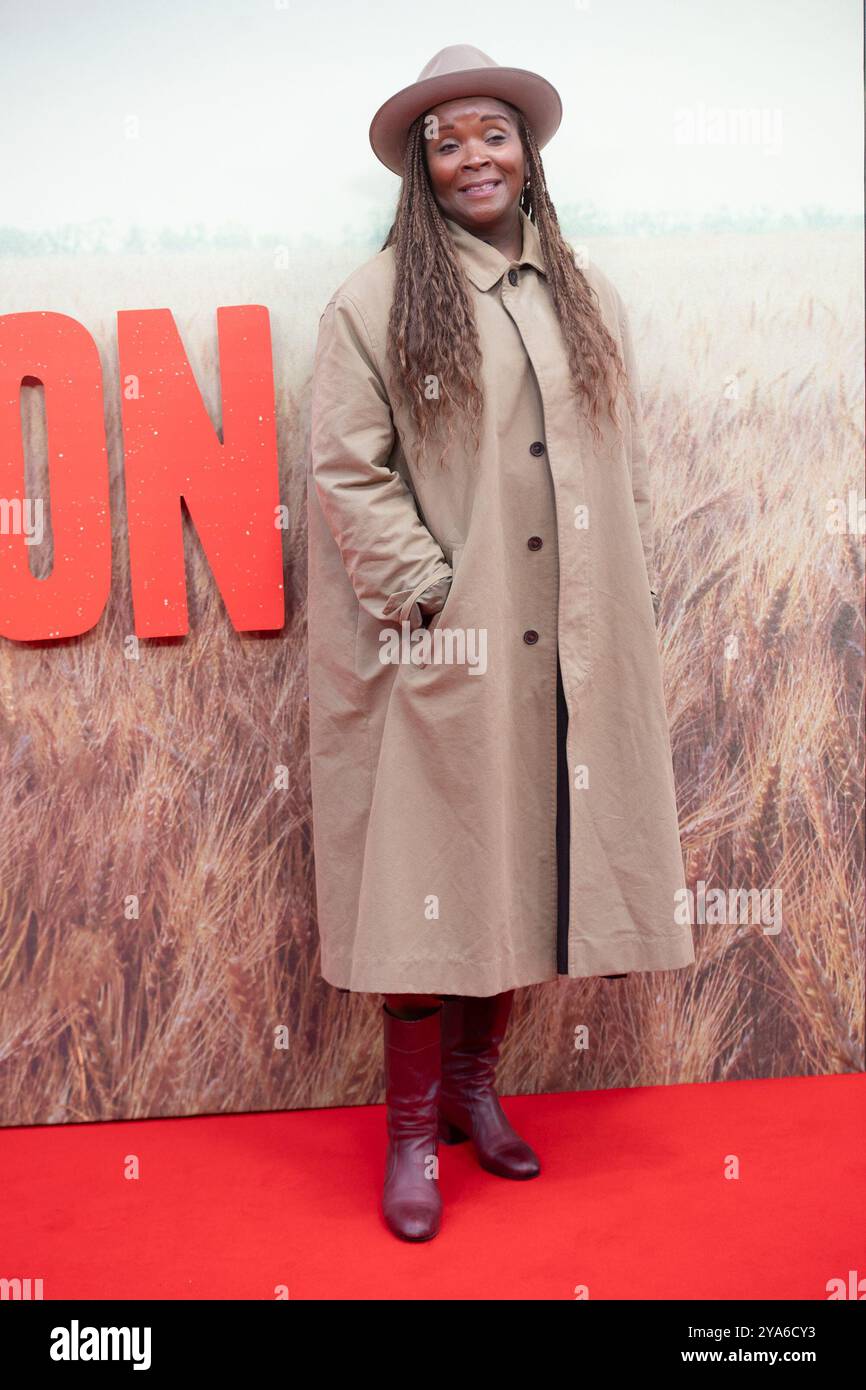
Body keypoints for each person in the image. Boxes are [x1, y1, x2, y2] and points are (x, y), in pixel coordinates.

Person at [307, 45, 695, 1242]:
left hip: (567, 650)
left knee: (528, 869)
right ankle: (413, 1134)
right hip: (446, 652)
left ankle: (479, 1094)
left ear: (526, 155)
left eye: (491, 133)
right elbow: (346, 469)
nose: (472, 154)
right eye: (445, 139)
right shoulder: (371, 305)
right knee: (432, 891)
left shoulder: (583, 298)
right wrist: (427, 596)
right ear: (420, 171)